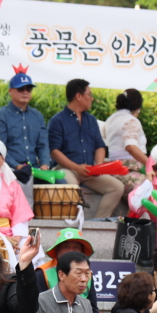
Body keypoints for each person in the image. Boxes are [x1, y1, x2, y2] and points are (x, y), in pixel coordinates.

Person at [49, 79, 126, 219]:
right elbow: (54, 151)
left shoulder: (91, 120)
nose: (92, 98)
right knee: (71, 185)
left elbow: (100, 146)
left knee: (117, 187)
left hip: (89, 170)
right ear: (78, 96)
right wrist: (76, 167)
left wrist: (98, 166)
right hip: (66, 168)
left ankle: (98, 222)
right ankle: (71, 224)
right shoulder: (58, 120)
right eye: (89, 95)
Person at [0, 67, 52, 201]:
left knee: (61, 186)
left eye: (28, 89)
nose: (25, 92)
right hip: (9, 170)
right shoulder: (1, 116)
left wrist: (45, 165)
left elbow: (43, 145)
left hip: (35, 170)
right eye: (20, 89)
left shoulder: (37, 116)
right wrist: (17, 166)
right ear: (10, 91)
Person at [102, 88, 148, 190]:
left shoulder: (110, 120)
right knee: (150, 192)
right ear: (138, 106)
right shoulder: (131, 120)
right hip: (130, 170)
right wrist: (151, 164)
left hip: (113, 168)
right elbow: (130, 147)